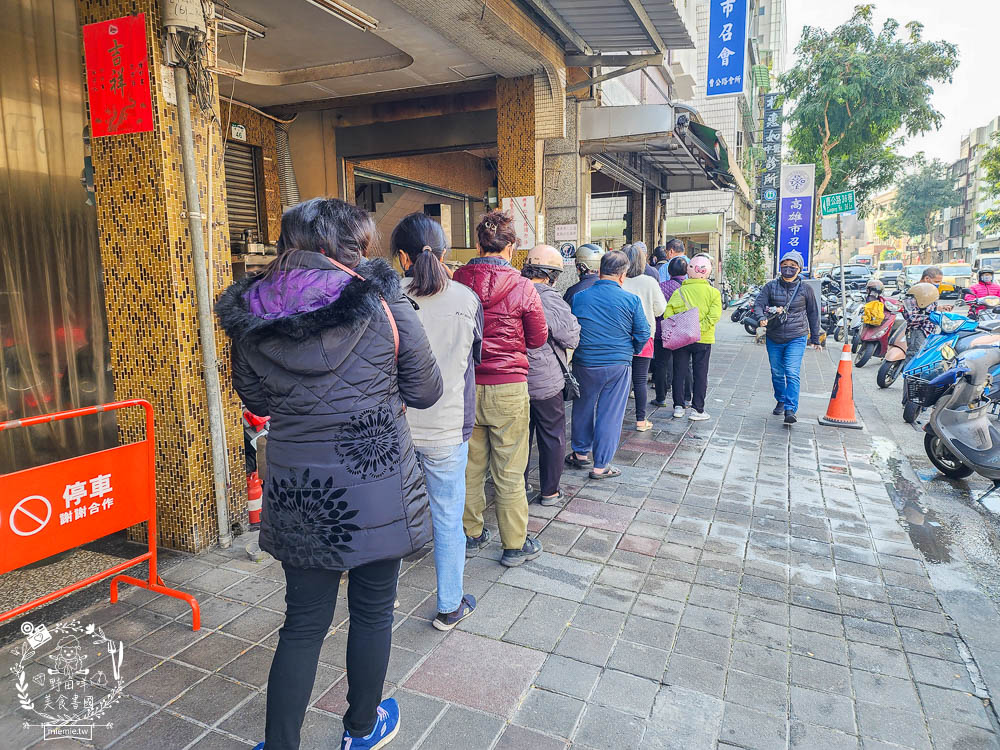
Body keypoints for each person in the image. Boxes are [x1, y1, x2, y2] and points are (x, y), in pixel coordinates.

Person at [216, 198, 443, 750]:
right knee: (372, 612)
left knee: (301, 622)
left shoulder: (253, 310)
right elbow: (425, 389)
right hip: (377, 480)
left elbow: (255, 398)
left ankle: (280, 745)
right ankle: (361, 730)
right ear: (352, 244)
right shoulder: (385, 301)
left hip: (300, 489)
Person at [394, 213, 482, 632]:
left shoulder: (385, 297)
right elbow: (472, 362)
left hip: (395, 429)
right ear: (445, 254)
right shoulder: (467, 299)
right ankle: (449, 605)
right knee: (448, 517)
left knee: (391, 513)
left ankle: (380, 600)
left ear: (401, 257)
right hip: (448, 427)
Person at [453, 210, 548, 567]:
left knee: (470, 466)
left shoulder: (457, 279)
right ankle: (514, 544)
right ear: (511, 247)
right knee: (509, 469)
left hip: (466, 385)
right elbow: (538, 338)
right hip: (509, 386)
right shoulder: (523, 285)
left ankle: (471, 533)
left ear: (478, 243)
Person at [567, 251, 650, 479]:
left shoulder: (580, 297)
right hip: (617, 365)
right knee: (610, 414)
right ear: (623, 275)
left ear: (600, 270)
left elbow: (571, 331)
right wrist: (632, 350)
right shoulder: (631, 300)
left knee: (582, 407)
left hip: (584, 363)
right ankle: (600, 465)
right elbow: (643, 332)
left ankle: (580, 453)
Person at [521, 244, 581, 505]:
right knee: (552, 436)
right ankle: (549, 491)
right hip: (544, 381)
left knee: (519, 438)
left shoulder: (513, 290)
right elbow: (570, 335)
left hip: (513, 379)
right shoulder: (547, 296)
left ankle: (518, 487)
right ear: (552, 274)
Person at [753, 250, 821, 425]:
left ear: (799, 268)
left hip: (796, 336)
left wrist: (815, 338)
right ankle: (781, 399)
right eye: (785, 265)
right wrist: (761, 318)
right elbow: (759, 304)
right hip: (774, 336)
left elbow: (813, 313)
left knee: (791, 372)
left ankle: (790, 408)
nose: (788, 268)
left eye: (793, 266)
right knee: (777, 372)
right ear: (780, 266)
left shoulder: (806, 289)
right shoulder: (770, 286)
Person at [663, 254, 722, 421]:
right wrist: (698, 328)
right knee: (700, 374)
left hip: (682, 338)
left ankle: (678, 407)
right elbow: (714, 316)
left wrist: (684, 326)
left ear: (689, 272)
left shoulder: (680, 291)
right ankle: (698, 409)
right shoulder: (714, 293)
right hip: (703, 339)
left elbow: (668, 312)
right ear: (708, 273)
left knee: (679, 372)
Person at [623, 244, 667, 430]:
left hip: (621, 337)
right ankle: (641, 421)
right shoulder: (649, 282)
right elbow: (660, 309)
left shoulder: (619, 281)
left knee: (621, 380)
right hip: (645, 337)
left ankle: (615, 418)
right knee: (640, 380)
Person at [652, 256, 692, 407]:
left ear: (669, 271)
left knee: (661, 364)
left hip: (662, 331)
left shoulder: (661, 287)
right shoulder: (689, 289)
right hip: (684, 331)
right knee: (685, 364)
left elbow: (656, 309)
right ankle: (687, 397)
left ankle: (661, 397)